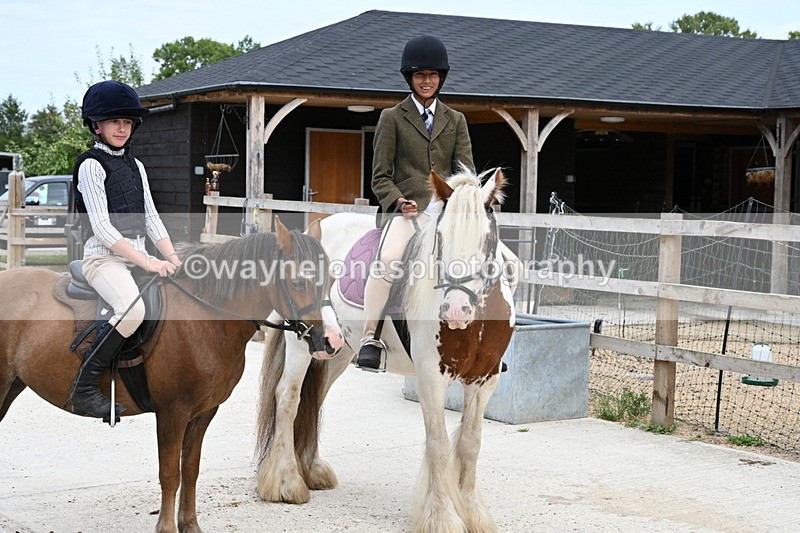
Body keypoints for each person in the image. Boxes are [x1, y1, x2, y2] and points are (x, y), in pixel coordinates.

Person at [357, 35, 475, 371]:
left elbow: (466, 172)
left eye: (433, 75)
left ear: (441, 78)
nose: (427, 81)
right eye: (421, 75)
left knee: (486, 261)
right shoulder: (392, 118)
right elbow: (380, 176)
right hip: (406, 213)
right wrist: (398, 201)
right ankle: (371, 336)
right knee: (389, 260)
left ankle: (480, 336)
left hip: (446, 215)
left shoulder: (456, 121)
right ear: (410, 78)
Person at [68, 80, 181, 418]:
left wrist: (174, 258)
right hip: (102, 259)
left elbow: (151, 219)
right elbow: (102, 227)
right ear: (96, 125)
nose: (122, 128)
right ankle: (85, 388)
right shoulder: (90, 165)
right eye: (115, 121)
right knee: (131, 311)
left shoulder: (137, 166)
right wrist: (147, 261)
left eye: (127, 122)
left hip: (136, 259)